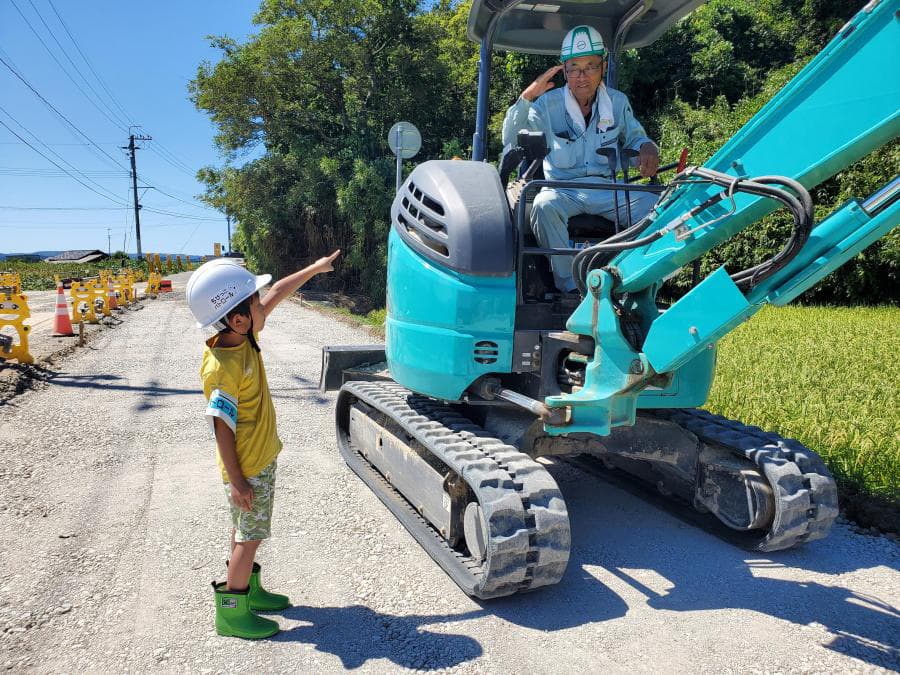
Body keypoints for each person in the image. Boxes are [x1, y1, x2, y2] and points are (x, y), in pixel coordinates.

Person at [185, 251, 340, 639]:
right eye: (254, 302)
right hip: (248, 466)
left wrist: (314, 268)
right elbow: (220, 426)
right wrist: (238, 481)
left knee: (244, 532)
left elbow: (277, 293)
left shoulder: (243, 335)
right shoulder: (223, 366)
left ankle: (250, 591)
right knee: (249, 538)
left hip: (257, 460)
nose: (262, 304)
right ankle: (233, 613)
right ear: (238, 318)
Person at [502, 25, 660, 293]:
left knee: (660, 207)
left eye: (590, 66)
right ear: (564, 70)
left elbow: (636, 139)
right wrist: (528, 97)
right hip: (564, 190)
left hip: (609, 190)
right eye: (574, 68)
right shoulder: (546, 104)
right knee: (542, 204)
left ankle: (636, 282)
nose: (581, 76)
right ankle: (571, 287)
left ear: (603, 66)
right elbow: (510, 137)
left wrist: (647, 147)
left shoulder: (618, 103)